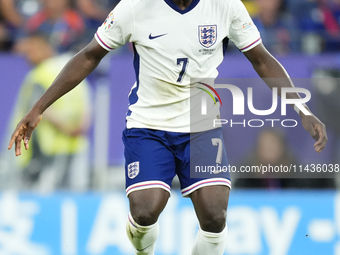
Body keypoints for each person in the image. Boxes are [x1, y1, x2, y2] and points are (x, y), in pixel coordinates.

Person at [8, 0, 328, 254]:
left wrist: (300, 107)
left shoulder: (226, 5)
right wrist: (39, 108)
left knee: (215, 215)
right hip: (148, 124)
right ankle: (142, 250)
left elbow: (261, 58)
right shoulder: (135, 7)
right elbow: (90, 54)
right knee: (146, 211)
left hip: (201, 123)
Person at [11, 34, 91, 192]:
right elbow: (87, 102)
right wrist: (81, 126)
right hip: (75, 144)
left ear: (46, 49)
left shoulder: (39, 74)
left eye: (32, 50)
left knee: (45, 197)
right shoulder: (74, 69)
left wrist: (65, 127)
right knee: (73, 195)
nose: (27, 56)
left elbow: (40, 109)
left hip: (46, 149)